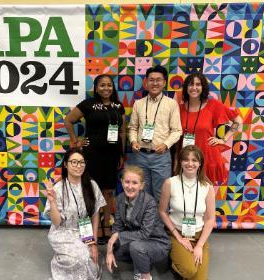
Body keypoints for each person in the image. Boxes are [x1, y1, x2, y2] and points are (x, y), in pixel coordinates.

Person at [64, 74, 126, 242]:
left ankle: (106, 224)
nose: (106, 88)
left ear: (112, 87)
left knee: (108, 190)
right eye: (102, 85)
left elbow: (122, 131)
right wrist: (74, 141)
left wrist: (122, 153)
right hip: (93, 153)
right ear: (96, 88)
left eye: (109, 85)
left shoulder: (118, 106)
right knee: (91, 190)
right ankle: (92, 227)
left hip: (112, 154)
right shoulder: (88, 104)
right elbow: (68, 120)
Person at [43, 148, 106, 280]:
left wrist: (93, 243)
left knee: (91, 261)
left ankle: (67, 257)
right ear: (65, 164)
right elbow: (56, 222)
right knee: (79, 259)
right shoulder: (58, 188)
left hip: (84, 229)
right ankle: (61, 260)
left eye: (82, 162)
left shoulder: (92, 185)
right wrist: (53, 201)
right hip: (63, 231)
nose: (79, 166)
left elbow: (95, 216)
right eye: (74, 162)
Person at [159, 145, 215, 280]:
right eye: (186, 160)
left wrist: (200, 245)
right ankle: (175, 260)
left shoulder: (208, 187)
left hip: (198, 236)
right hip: (176, 233)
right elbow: (162, 211)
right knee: (189, 271)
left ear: (200, 163)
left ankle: (185, 259)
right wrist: (178, 237)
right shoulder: (170, 183)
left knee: (200, 277)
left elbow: (210, 219)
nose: (190, 164)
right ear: (180, 162)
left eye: (194, 160)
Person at [106, 165, 171, 280]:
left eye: (135, 183)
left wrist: (119, 235)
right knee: (117, 248)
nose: (130, 186)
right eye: (127, 182)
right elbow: (118, 226)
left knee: (135, 247)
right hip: (137, 239)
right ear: (121, 182)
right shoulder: (120, 198)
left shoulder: (149, 202)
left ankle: (145, 275)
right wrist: (109, 250)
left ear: (141, 185)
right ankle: (142, 260)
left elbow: (145, 233)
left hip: (156, 241)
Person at [129, 65, 182, 202]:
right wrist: (133, 141)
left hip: (161, 156)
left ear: (164, 83)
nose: (155, 83)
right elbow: (133, 127)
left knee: (161, 194)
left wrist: (166, 144)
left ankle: (159, 224)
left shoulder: (171, 104)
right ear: (146, 82)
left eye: (159, 80)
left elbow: (177, 131)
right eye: (151, 80)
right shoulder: (138, 104)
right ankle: (145, 223)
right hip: (140, 155)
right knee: (142, 193)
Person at [179, 73, 243, 184]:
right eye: (191, 84)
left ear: (203, 87)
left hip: (207, 157)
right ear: (186, 88)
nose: (194, 87)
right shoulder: (179, 108)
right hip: (185, 159)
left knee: (205, 196)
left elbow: (238, 120)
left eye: (198, 84)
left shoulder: (213, 105)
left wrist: (223, 139)